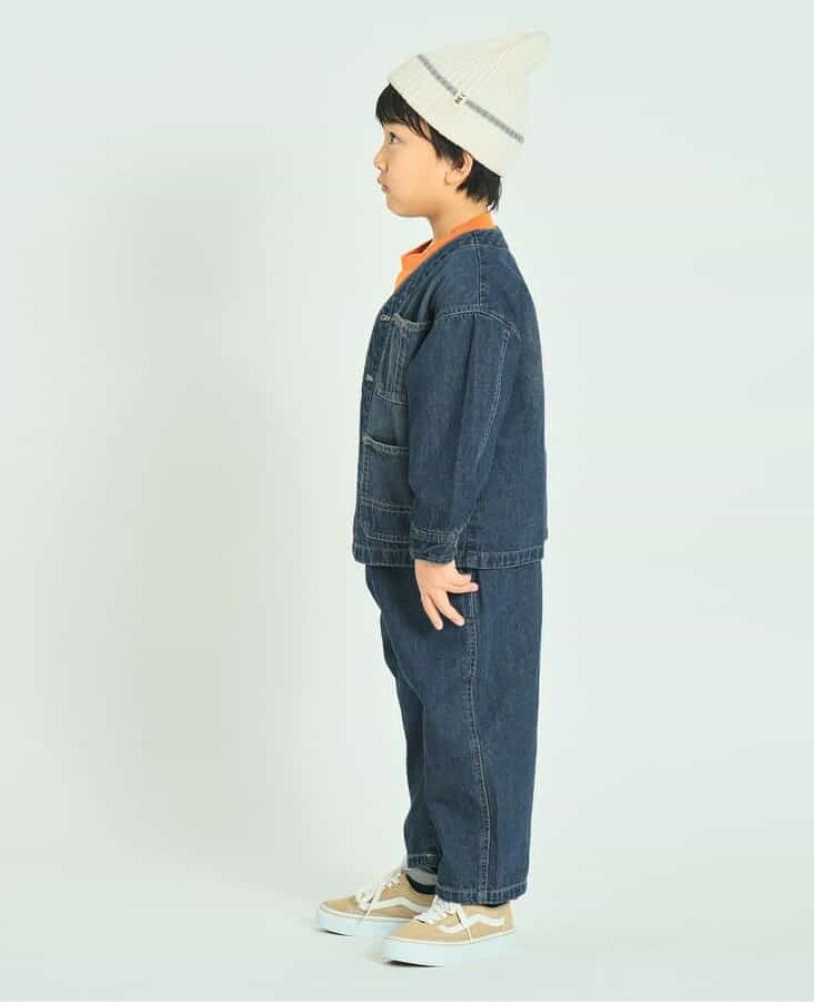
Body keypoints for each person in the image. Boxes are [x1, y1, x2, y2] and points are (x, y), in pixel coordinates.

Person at [315, 30, 550, 966]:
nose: (378, 160)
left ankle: (480, 895)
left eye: (396, 141)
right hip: (421, 549)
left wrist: (437, 544)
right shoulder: (441, 269)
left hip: (460, 558)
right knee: (430, 711)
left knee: (472, 718)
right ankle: (430, 870)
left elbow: (457, 426)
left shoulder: (476, 284)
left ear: (459, 159)